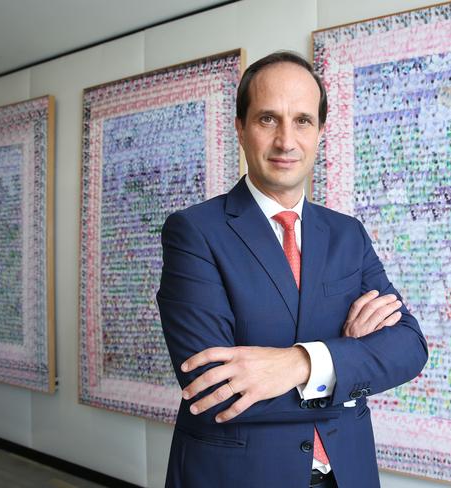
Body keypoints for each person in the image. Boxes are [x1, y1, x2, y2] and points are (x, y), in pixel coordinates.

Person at [157, 51, 428, 488]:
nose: (286, 140)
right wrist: (347, 356)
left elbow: (409, 347)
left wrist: (301, 363)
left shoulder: (348, 235)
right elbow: (213, 390)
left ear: (320, 131)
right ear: (240, 128)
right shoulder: (194, 232)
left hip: (347, 473)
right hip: (240, 477)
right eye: (268, 120)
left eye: (302, 120)